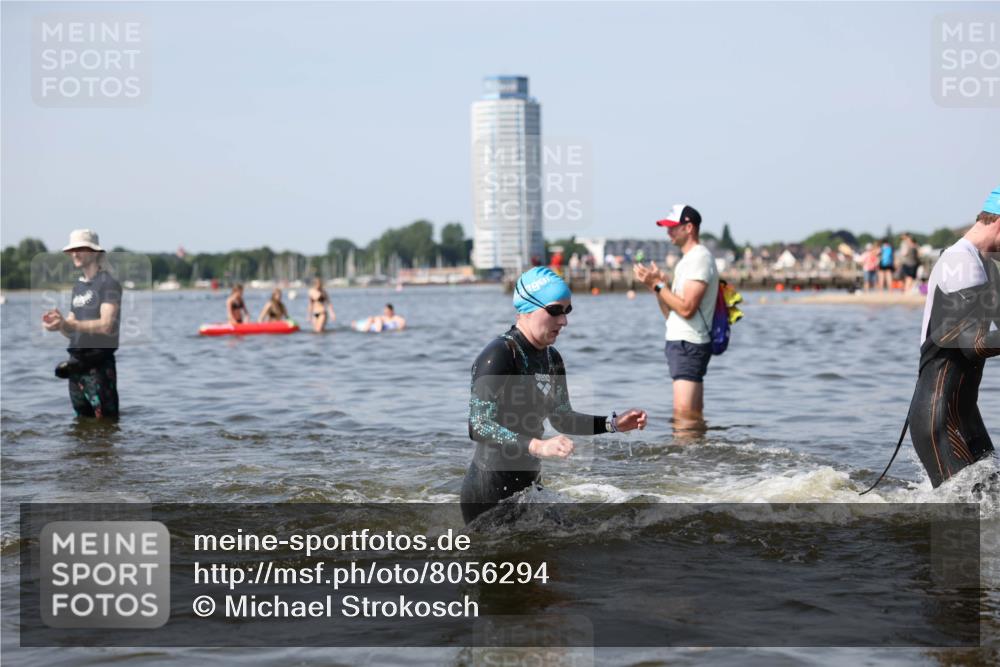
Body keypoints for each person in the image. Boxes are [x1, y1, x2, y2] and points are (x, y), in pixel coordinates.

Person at [462, 267, 648, 524]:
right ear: (527, 308)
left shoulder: (552, 358)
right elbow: (478, 425)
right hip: (488, 495)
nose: (563, 321)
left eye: (567, 311)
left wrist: (613, 424)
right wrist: (538, 445)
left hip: (529, 489)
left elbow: (562, 418)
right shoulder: (499, 354)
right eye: (554, 310)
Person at [862, 187, 1000, 494]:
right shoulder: (959, 262)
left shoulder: (985, 263)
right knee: (964, 527)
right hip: (940, 419)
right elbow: (974, 345)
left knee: (991, 509)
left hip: (965, 415)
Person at [633, 204, 719, 424]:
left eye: (673, 227)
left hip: (689, 344)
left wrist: (659, 286)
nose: (668, 232)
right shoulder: (686, 261)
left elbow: (687, 309)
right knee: (690, 415)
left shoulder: (699, 258)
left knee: (684, 415)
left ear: (688, 227)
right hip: (683, 341)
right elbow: (672, 314)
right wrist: (657, 287)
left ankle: (686, 457)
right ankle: (695, 456)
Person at [41, 229, 121, 419]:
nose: (74, 254)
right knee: (81, 423)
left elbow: (106, 325)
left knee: (106, 426)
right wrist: (59, 325)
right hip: (76, 366)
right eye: (72, 250)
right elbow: (71, 330)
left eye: (80, 249)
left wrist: (71, 324)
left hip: (99, 366)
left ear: (94, 252)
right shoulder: (78, 286)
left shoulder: (108, 283)